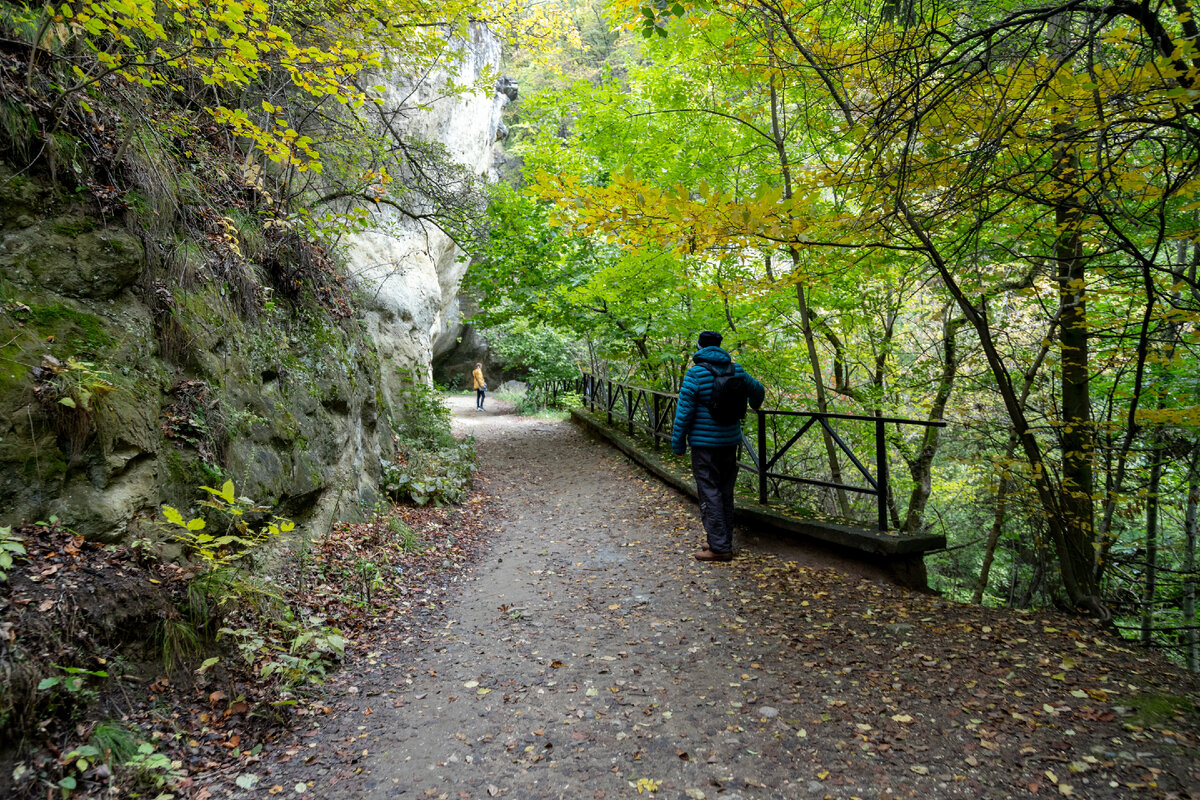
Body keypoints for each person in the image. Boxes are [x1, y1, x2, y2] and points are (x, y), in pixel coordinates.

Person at [671, 331, 765, 562]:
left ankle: (720, 547)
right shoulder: (737, 369)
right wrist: (753, 404)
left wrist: (678, 442)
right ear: (720, 346)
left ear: (699, 346)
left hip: (704, 446)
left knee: (709, 491)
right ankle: (720, 539)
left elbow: (684, 412)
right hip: (730, 441)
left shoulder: (696, 374)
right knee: (724, 490)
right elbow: (759, 391)